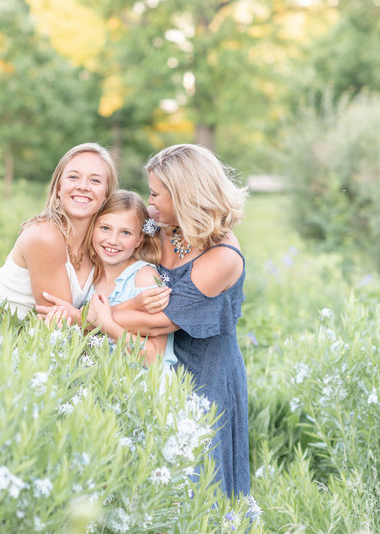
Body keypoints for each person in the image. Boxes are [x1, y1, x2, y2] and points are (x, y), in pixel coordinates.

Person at [92, 144, 250, 497]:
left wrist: (97, 315)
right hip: (149, 361)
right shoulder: (161, 228)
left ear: (185, 196)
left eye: (156, 194)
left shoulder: (221, 255)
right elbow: (110, 240)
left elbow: (161, 321)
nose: (150, 204)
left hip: (204, 373)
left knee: (197, 476)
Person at [0, 142, 119, 343]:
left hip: (21, 352)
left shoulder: (102, 245)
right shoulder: (44, 236)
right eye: (73, 177)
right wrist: (108, 323)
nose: (83, 186)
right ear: (58, 188)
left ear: (106, 195)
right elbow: (60, 324)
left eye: (95, 180)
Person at [38, 189, 173, 367]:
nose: (112, 240)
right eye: (105, 228)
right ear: (92, 227)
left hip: (138, 382)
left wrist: (107, 326)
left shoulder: (144, 278)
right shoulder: (88, 273)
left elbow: (154, 358)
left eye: (125, 233)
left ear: (140, 239)